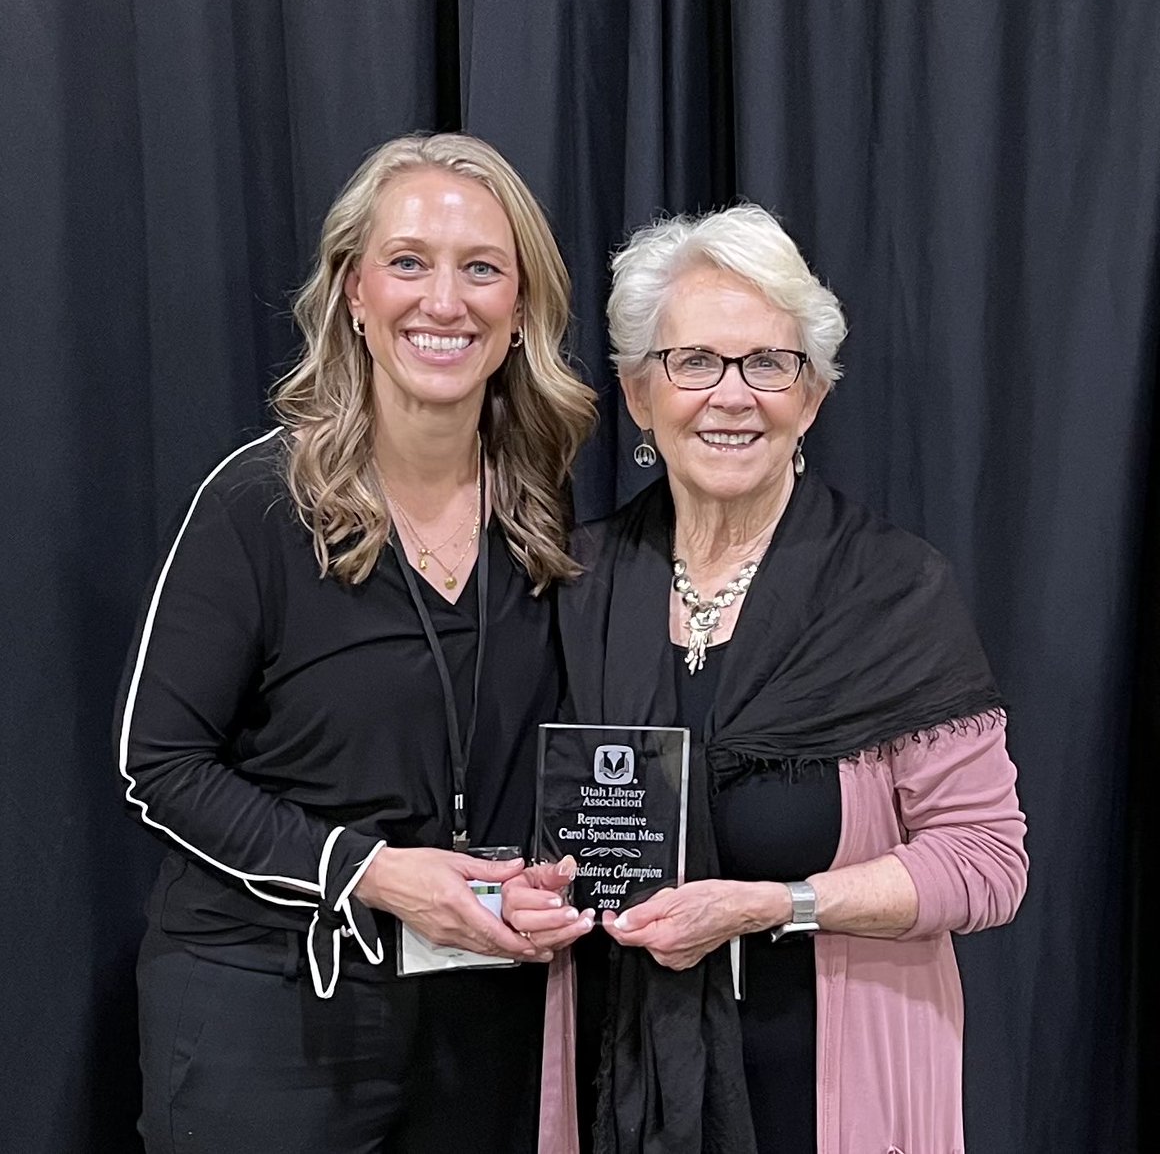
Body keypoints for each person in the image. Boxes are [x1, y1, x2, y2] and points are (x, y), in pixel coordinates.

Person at [508, 204, 1028, 1153]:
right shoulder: (572, 589)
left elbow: (988, 861)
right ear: (637, 393)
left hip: (830, 1085)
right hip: (618, 1084)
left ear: (813, 396)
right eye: (694, 361)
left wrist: (773, 903)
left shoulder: (894, 591)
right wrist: (530, 891)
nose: (732, 395)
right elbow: (522, 821)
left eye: (769, 364)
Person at [113, 132, 596, 1153]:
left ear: (519, 314)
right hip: (268, 1012)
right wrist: (369, 871)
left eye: (481, 269)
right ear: (354, 295)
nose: (444, 300)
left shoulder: (542, 514)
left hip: (475, 1015)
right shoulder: (257, 503)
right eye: (409, 261)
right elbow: (157, 765)